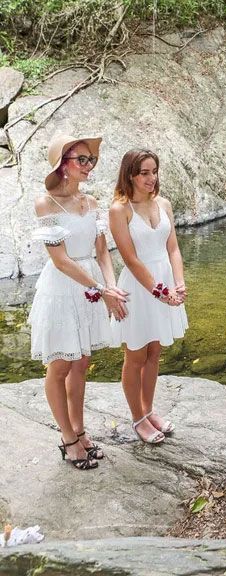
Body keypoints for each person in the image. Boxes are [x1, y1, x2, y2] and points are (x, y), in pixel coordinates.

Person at [30, 133, 128, 470]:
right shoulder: (46, 203)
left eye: (91, 160)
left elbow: (102, 252)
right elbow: (60, 260)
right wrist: (101, 290)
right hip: (63, 289)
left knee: (82, 362)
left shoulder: (93, 202)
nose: (89, 166)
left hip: (91, 288)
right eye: (81, 160)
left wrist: (111, 287)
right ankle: (68, 438)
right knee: (60, 365)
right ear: (62, 165)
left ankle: (80, 430)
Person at [109, 149, 188, 445]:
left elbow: (173, 249)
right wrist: (160, 292)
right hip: (140, 287)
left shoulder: (164, 204)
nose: (151, 178)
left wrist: (178, 284)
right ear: (130, 174)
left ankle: (149, 409)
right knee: (136, 354)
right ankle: (138, 418)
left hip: (165, 280)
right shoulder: (120, 209)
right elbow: (130, 260)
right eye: (144, 172)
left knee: (155, 351)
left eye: (154, 171)